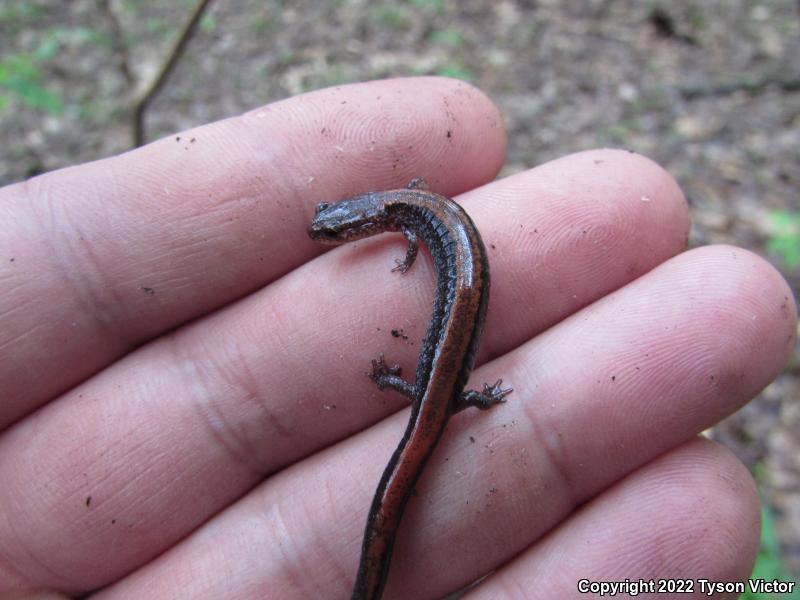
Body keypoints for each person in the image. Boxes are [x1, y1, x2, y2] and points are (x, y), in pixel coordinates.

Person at [0, 77, 794, 599]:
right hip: (436, 387)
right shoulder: (414, 215)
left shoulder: (415, 221)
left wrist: (433, 386)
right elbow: (421, 233)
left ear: (371, 222)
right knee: (429, 411)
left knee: (429, 417)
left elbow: (424, 239)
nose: (328, 235)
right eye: (330, 230)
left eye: (332, 231)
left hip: (439, 387)